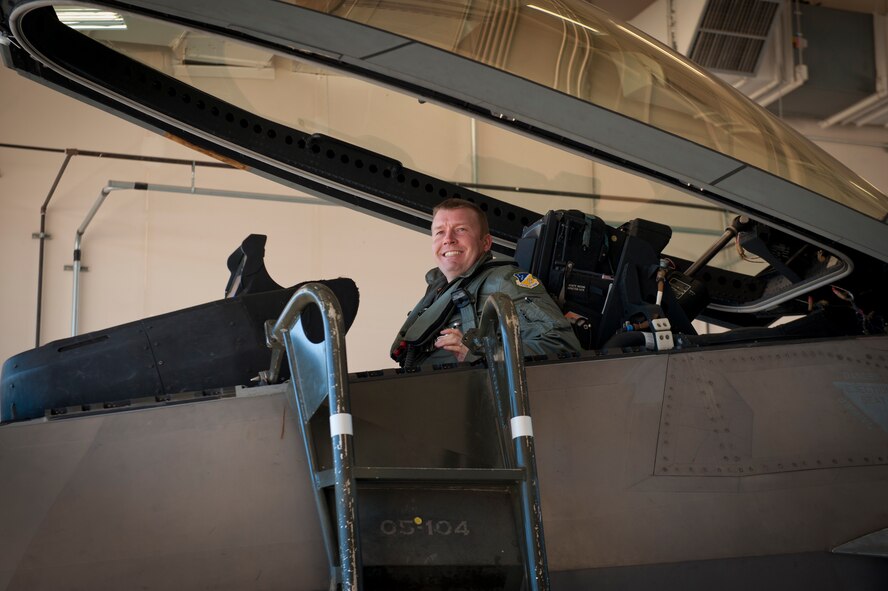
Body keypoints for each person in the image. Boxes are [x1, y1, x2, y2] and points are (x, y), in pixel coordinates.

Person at [391, 198, 582, 368]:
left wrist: (480, 352)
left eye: (461, 230)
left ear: (486, 243)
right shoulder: (437, 294)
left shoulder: (504, 282)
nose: (448, 239)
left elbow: (561, 344)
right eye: (440, 232)